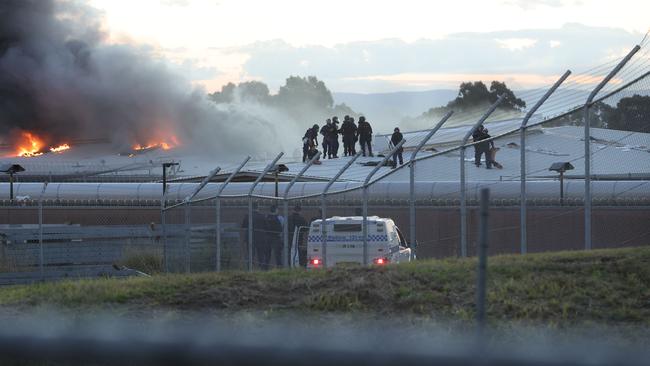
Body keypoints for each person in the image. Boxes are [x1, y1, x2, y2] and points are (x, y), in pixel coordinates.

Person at [241, 202, 269, 270]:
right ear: (258, 207)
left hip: (250, 238)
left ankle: (249, 269)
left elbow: (243, 226)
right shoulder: (262, 216)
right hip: (261, 238)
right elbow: (267, 227)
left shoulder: (248, 216)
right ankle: (262, 270)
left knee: (250, 255)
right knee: (261, 255)